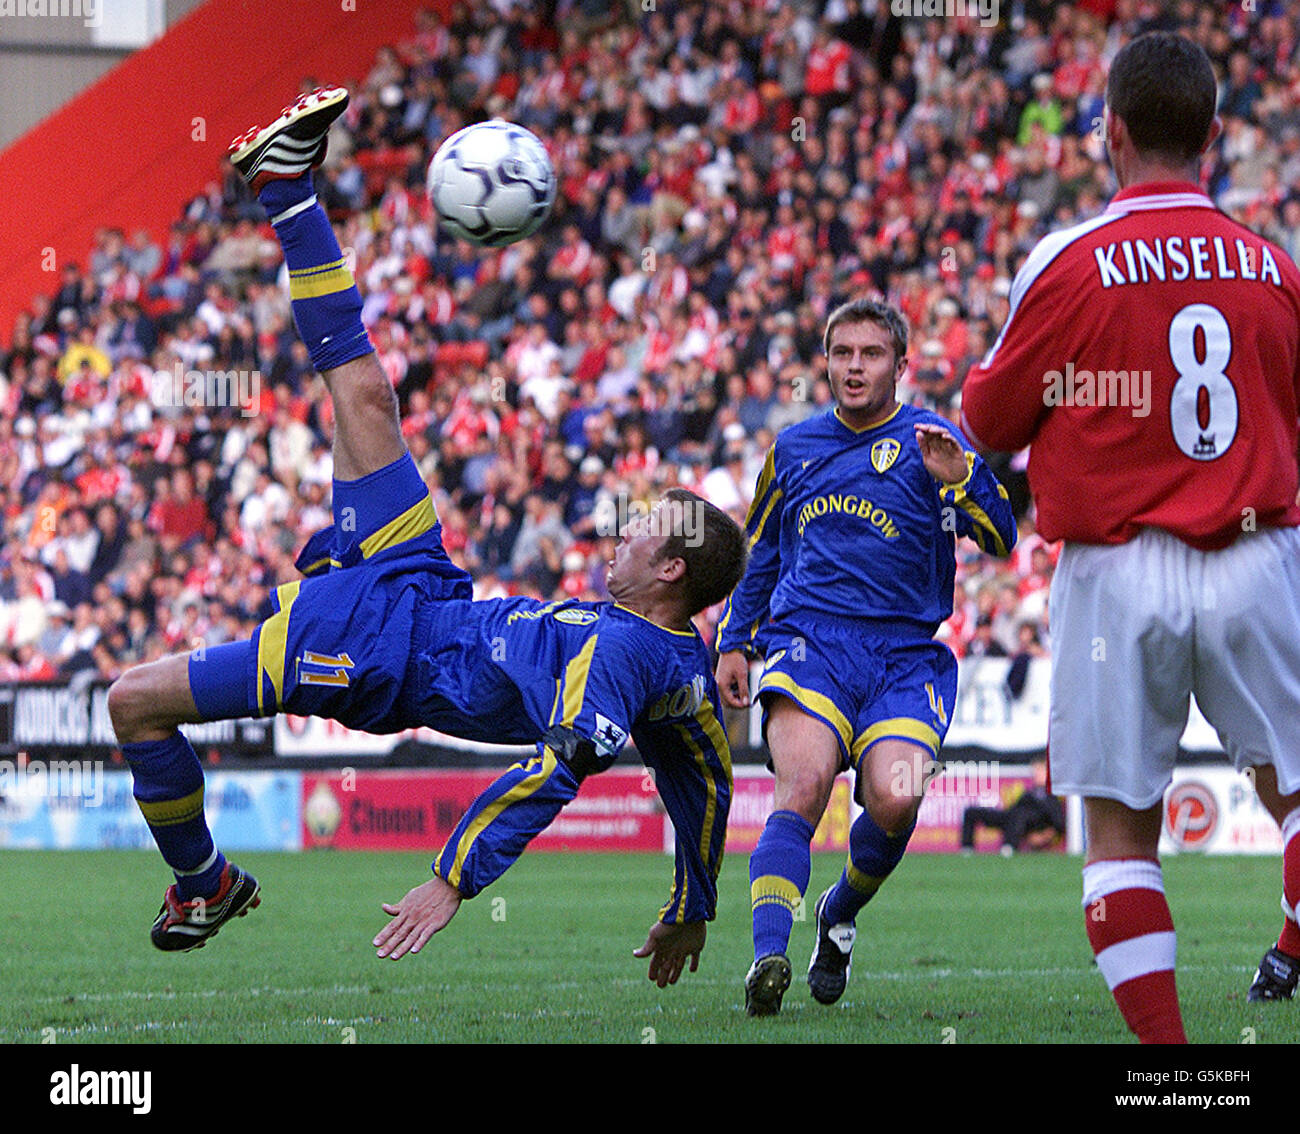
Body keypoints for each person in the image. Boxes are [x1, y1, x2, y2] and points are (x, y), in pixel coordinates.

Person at [105, 88, 748, 989]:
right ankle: (286, 188)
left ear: (670, 569)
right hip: (427, 588)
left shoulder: (628, 660)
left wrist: (454, 878)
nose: (623, 531)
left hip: (376, 656)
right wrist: (692, 902)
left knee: (133, 702)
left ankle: (202, 885)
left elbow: (554, 773)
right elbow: (708, 785)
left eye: (643, 530)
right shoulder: (681, 659)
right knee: (364, 393)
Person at [961, 32, 1300, 1043]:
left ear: (1107, 132)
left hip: (1113, 570)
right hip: (1256, 552)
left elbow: (985, 426)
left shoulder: (1065, 263)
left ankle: (1174, 1070)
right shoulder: (1273, 269)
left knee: (1117, 835)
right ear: (1213, 136)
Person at [714, 297, 1017, 1015]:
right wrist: (733, 637)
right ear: (826, 361)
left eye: (870, 354)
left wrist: (965, 480)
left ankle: (839, 913)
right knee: (805, 783)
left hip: (905, 659)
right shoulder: (792, 449)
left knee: (897, 796)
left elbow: (1003, 537)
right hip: (809, 643)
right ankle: (768, 956)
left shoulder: (932, 441)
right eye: (842, 353)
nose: (854, 367)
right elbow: (762, 554)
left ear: (901, 366)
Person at [959, 757, 1063, 856]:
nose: (1036, 774)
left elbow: (1058, 823)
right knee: (971, 812)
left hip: (1027, 824)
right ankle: (967, 849)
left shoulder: (1052, 795)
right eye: (1035, 771)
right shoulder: (1030, 792)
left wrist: (1042, 836)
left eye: (1039, 771)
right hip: (1011, 819)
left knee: (1020, 815)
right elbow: (1013, 810)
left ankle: (1009, 848)